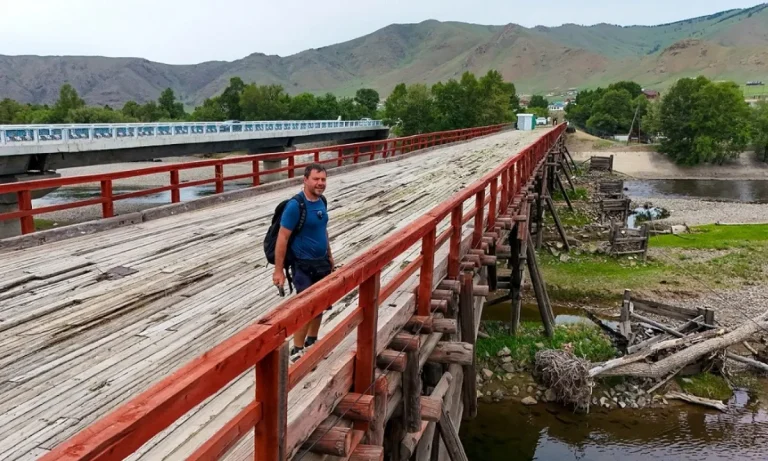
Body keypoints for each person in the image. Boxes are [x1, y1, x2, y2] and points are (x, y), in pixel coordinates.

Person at [272, 163, 335, 361]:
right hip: (302, 265)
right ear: (305, 180)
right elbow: (282, 237)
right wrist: (279, 270)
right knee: (306, 307)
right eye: (316, 179)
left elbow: (322, 230)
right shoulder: (295, 205)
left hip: (322, 262)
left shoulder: (322, 201)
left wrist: (330, 256)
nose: (320, 183)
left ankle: (312, 341)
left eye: (323, 179)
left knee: (321, 304)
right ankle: (297, 351)